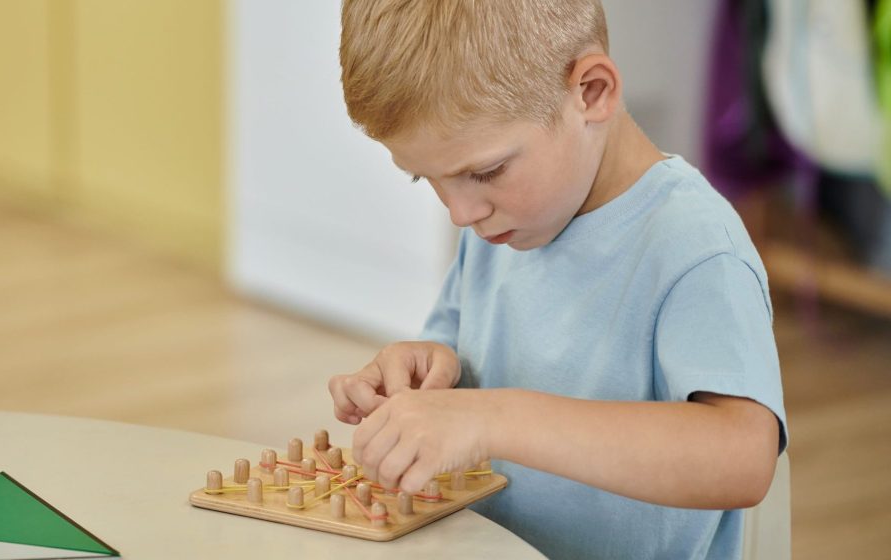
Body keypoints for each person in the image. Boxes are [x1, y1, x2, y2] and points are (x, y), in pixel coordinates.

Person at [327, 1, 787, 558]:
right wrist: (427, 371)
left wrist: (494, 418)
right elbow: (457, 358)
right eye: (427, 179)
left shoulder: (695, 246)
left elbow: (743, 457)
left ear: (591, 92)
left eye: (486, 171)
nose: (461, 212)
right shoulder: (502, 225)